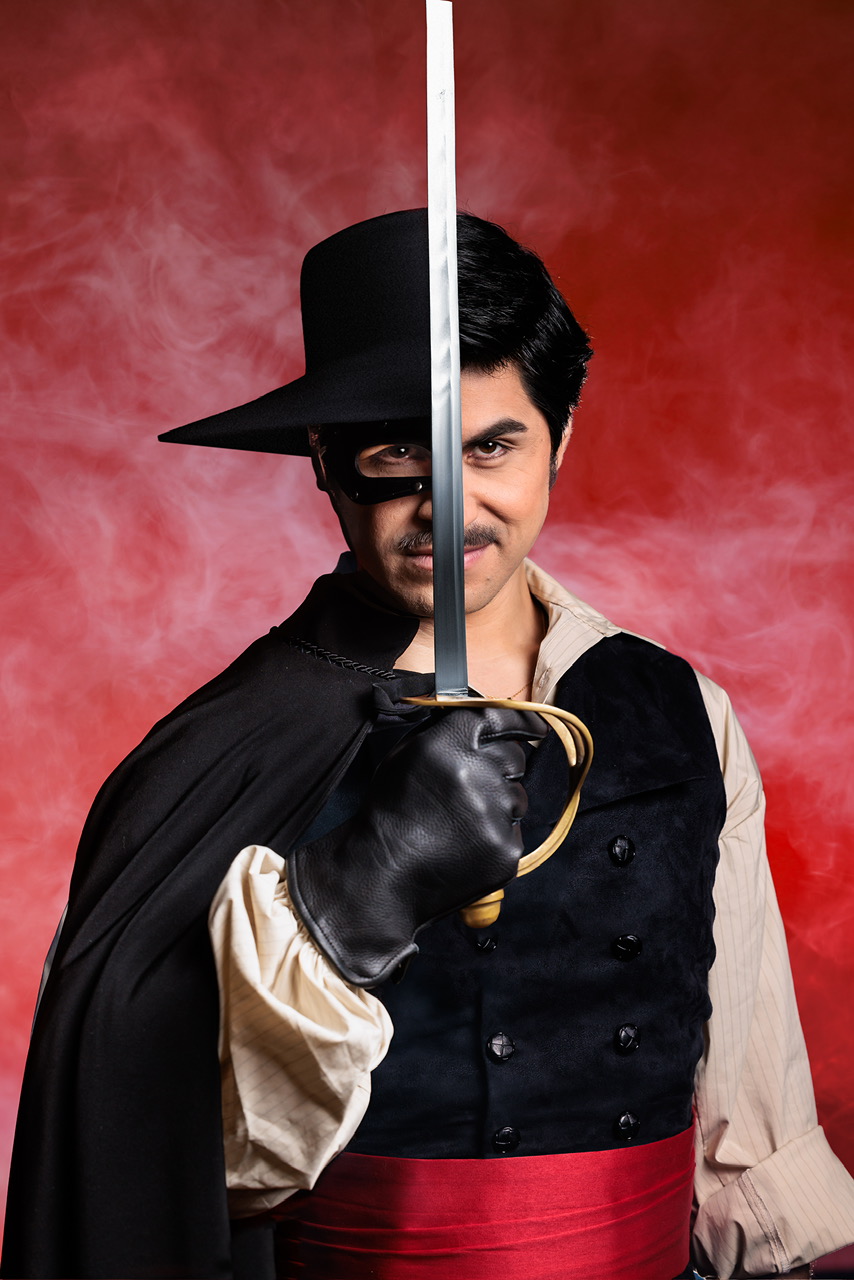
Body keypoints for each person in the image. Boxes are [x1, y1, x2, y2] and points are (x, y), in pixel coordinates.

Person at [3, 209, 853, 1280]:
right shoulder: (227, 749)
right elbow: (153, 1159)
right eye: (396, 453)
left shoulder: (684, 712)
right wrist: (354, 895)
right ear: (326, 462)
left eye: (490, 446)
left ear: (560, 439)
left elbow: (750, 1149)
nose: (447, 503)